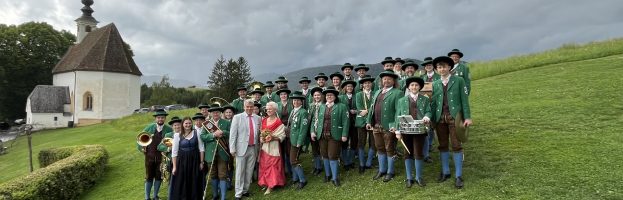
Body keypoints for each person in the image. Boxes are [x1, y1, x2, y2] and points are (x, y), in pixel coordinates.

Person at [430, 56, 472, 189]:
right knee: (442, 145)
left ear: (449, 67)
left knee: (456, 145)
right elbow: (434, 103)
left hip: (455, 118)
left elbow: (464, 100)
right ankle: (446, 171)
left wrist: (467, 117)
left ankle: (458, 175)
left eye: (444, 66)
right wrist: (431, 119)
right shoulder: (435, 83)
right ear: (437, 70)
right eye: (439, 67)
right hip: (440, 119)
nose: (442, 69)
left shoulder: (458, 80)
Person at [392, 77, 432, 188]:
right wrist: (397, 131)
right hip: (406, 131)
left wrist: (426, 117)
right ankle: (409, 177)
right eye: (412, 85)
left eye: (416, 85)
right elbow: (397, 116)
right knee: (407, 153)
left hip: (420, 131)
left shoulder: (425, 99)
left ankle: (418, 177)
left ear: (419, 87)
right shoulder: (402, 101)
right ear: (408, 87)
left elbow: (429, 111)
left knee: (418, 153)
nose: (414, 87)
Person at [366, 70, 401, 182]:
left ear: (393, 81)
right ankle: (382, 170)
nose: (386, 81)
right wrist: (368, 121)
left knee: (389, 149)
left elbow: (398, 111)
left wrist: (395, 125)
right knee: (380, 148)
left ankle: (390, 172)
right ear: (382, 80)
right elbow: (372, 108)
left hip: (388, 126)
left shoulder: (397, 92)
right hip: (376, 125)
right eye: (384, 79)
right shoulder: (378, 92)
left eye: (389, 79)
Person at [310, 86, 349, 187]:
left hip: (335, 135)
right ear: (325, 96)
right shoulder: (321, 106)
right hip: (322, 135)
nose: (329, 96)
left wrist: (344, 134)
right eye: (327, 95)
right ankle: (327, 175)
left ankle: (335, 177)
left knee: (333, 156)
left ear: (335, 96)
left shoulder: (341, 106)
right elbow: (315, 120)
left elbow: (346, 121)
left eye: (331, 95)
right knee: (325, 155)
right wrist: (312, 131)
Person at [229, 99, 261, 200]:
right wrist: (232, 148)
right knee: (240, 171)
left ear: (253, 107)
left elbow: (259, 133)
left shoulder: (258, 118)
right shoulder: (237, 117)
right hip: (241, 149)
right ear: (244, 107)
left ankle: (245, 190)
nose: (249, 108)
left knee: (249, 171)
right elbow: (233, 134)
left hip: (253, 148)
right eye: (247, 106)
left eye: (251, 106)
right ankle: (238, 194)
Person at [139, 109, 172, 200]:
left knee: (159, 176)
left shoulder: (169, 129)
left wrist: (167, 151)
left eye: (162, 117)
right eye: (158, 117)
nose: (160, 119)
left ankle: (155, 196)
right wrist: (142, 148)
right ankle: (147, 197)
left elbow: (170, 144)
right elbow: (140, 140)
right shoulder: (148, 128)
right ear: (155, 119)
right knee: (149, 176)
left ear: (165, 118)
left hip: (162, 158)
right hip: (149, 157)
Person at [170, 117, 205, 200]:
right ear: (182, 124)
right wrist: (174, 167)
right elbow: (174, 153)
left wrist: (201, 162)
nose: (188, 125)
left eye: (189, 123)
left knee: (194, 179)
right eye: (186, 123)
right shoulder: (177, 135)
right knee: (183, 181)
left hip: (195, 160)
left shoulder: (197, 133)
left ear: (191, 124)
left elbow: (201, 148)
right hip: (182, 161)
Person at [201, 105, 231, 200]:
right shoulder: (207, 124)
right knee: (213, 175)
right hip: (210, 154)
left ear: (220, 113)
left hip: (223, 153)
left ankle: (223, 197)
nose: (215, 114)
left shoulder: (226, 122)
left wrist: (222, 132)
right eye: (213, 112)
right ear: (210, 113)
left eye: (217, 112)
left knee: (223, 175)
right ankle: (215, 195)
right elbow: (203, 137)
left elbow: (231, 133)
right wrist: (213, 134)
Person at [257, 102, 287, 195]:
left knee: (273, 165)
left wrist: (272, 137)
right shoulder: (264, 120)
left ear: (275, 110)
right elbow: (261, 132)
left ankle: (271, 186)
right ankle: (266, 183)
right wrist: (262, 137)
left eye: (270, 109)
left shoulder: (278, 122)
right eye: (267, 109)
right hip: (265, 147)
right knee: (265, 165)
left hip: (274, 147)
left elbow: (282, 136)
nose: (268, 110)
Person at [287, 92, 310, 189]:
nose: (295, 102)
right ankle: (295, 178)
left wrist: (300, 141)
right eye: (294, 100)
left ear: (301, 102)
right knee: (292, 159)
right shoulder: (293, 111)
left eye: (298, 100)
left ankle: (302, 180)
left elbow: (303, 128)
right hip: (290, 138)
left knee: (294, 160)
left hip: (297, 140)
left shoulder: (303, 112)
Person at [419, 56, 439, 163]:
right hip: (423, 105)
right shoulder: (421, 77)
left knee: (433, 126)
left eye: (430, 65)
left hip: (435, 104)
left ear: (433, 66)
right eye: (426, 65)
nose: (428, 66)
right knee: (425, 128)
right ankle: (425, 153)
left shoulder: (438, 76)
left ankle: (431, 144)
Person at [355, 75, 375, 174]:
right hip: (361, 122)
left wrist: (367, 111)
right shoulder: (358, 95)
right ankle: (362, 164)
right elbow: (359, 109)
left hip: (373, 121)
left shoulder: (375, 94)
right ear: (362, 84)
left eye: (369, 83)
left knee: (373, 142)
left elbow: (374, 109)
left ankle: (369, 162)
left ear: (371, 84)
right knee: (361, 143)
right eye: (365, 83)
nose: (367, 84)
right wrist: (369, 111)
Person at [157, 116, 181, 199]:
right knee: (172, 181)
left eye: (178, 125)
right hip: (171, 161)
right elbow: (159, 147)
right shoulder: (169, 135)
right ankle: (171, 197)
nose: (177, 127)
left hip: (183, 160)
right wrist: (168, 148)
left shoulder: (184, 134)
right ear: (172, 126)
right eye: (175, 125)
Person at [338, 80, 358, 171]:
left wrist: (356, 111)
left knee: (354, 141)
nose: (349, 88)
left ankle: (351, 160)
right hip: (344, 123)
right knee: (344, 143)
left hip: (354, 122)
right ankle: (346, 162)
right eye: (348, 86)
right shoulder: (340, 97)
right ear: (345, 88)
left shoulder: (356, 96)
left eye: (351, 86)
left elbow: (360, 108)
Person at [276, 88, 293, 177]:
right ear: (279, 96)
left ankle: (290, 169)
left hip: (289, 129)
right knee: (280, 150)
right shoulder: (277, 105)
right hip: (280, 130)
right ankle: (282, 171)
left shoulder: (291, 104)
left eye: (285, 94)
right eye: (282, 94)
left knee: (288, 150)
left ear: (287, 95)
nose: (283, 96)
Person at [307, 87, 325, 175]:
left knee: (323, 149)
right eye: (315, 95)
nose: (317, 97)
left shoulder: (324, 105)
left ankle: (324, 166)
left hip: (322, 130)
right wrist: (311, 131)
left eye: (318, 95)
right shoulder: (311, 106)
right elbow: (310, 120)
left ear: (321, 95)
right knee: (315, 149)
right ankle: (317, 166)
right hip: (313, 130)